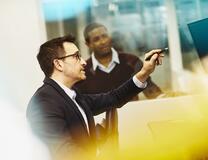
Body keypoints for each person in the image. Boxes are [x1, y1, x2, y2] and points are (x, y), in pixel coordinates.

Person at [26, 35, 164, 160]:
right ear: (58, 64)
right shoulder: (43, 103)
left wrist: (145, 72)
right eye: (76, 56)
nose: (84, 62)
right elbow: (65, 154)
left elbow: (114, 98)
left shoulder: (72, 95)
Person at [73, 23, 163, 146]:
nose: (103, 41)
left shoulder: (132, 61)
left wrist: (168, 98)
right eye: (96, 39)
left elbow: (152, 91)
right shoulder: (83, 71)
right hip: (101, 137)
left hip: (136, 127)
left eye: (104, 36)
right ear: (88, 44)